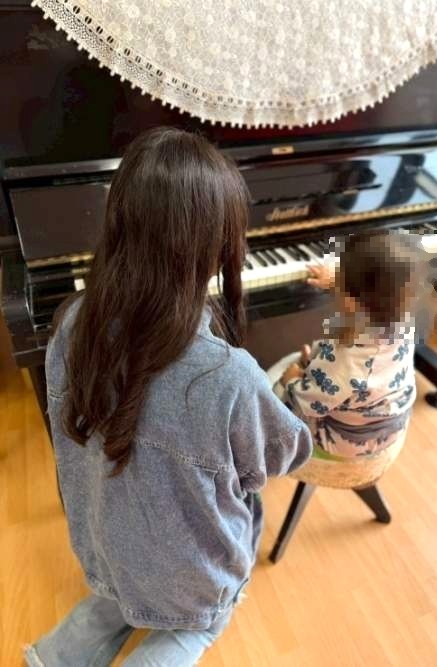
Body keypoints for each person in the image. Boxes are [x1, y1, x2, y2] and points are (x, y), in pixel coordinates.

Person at [24, 128, 312, 667]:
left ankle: (47, 659)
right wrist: (293, 395)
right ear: (214, 246)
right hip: (190, 578)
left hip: (106, 550)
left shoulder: (72, 324)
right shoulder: (228, 377)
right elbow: (281, 457)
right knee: (197, 624)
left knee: (115, 600)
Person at [274, 231, 423, 486]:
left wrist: (291, 381)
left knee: (274, 378)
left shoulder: (348, 360)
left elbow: (309, 402)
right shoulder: (401, 317)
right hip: (387, 421)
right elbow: (376, 290)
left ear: (353, 300)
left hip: (344, 442)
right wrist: (338, 282)